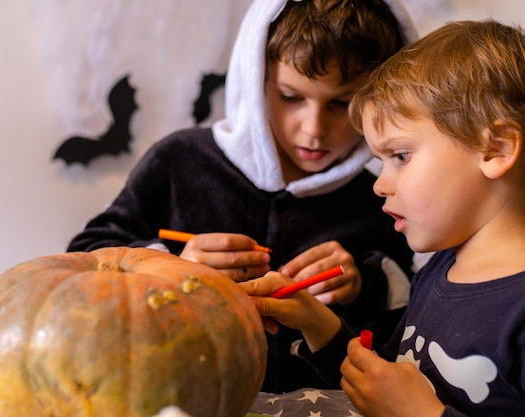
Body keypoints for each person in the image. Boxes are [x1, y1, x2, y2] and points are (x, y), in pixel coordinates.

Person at [67, 0, 418, 393]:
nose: (314, 129)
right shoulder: (180, 161)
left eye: (341, 103)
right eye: (290, 96)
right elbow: (85, 257)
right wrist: (170, 265)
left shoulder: (381, 193)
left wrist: (362, 284)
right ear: (255, 78)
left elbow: (406, 321)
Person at [240, 19, 525, 416]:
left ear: (495, 149)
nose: (379, 185)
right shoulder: (441, 267)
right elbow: (380, 385)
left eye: (400, 157)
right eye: (380, 162)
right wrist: (316, 322)